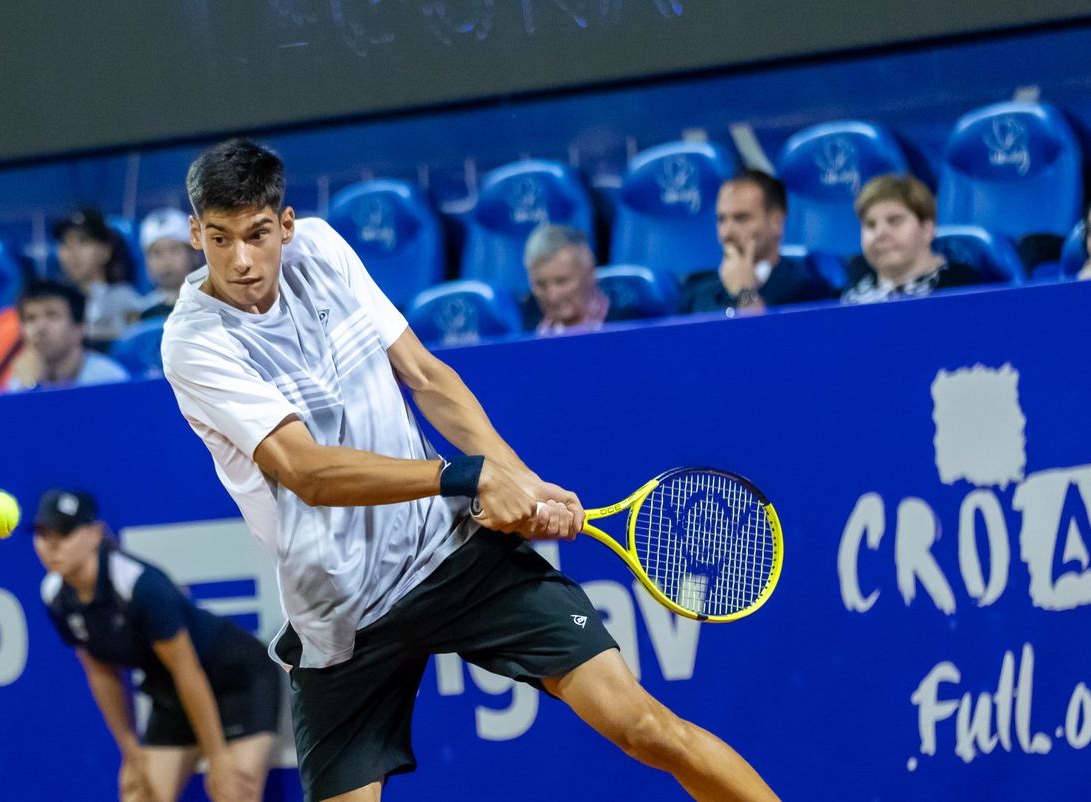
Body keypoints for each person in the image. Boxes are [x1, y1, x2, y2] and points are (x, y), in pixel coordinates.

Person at [161, 139, 778, 802]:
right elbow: (304, 471)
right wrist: (467, 477)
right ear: (197, 233)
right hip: (342, 612)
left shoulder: (322, 249)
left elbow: (425, 376)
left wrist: (518, 478)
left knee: (646, 727)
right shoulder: (194, 342)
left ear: (284, 224)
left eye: (257, 234)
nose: (243, 260)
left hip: (453, 555)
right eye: (221, 239)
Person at [33, 488, 280, 802]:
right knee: (139, 794)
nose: (51, 545)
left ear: (95, 534)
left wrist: (217, 758)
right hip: (174, 692)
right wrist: (131, 751)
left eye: (64, 533)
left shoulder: (140, 586)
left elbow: (187, 671)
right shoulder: (55, 595)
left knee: (235, 792)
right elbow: (101, 674)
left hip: (237, 680)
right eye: (42, 534)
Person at [679, 169, 835, 315]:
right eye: (721, 220)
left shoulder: (809, 291)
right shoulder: (696, 293)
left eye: (741, 218)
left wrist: (744, 293)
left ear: (777, 222)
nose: (726, 233)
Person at [840, 175, 987, 304]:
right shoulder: (844, 296)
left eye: (894, 221)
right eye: (870, 225)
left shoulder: (965, 288)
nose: (880, 233)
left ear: (926, 229)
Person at [7, 280, 129, 391]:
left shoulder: (109, 379)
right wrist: (31, 385)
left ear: (79, 328)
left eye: (52, 316)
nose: (40, 328)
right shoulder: (21, 380)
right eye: (30, 318)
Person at [54, 208, 146, 346]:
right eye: (66, 243)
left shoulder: (124, 298)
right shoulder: (56, 303)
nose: (73, 253)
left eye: (83, 241)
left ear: (105, 251)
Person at [520, 225, 615, 335]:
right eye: (541, 285)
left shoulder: (628, 320)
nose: (552, 296)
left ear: (590, 274)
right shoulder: (524, 328)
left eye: (561, 281)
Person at [139, 208, 198, 320]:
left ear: (193, 255)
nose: (166, 261)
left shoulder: (213, 304)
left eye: (174, 250)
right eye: (157, 253)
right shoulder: (144, 312)